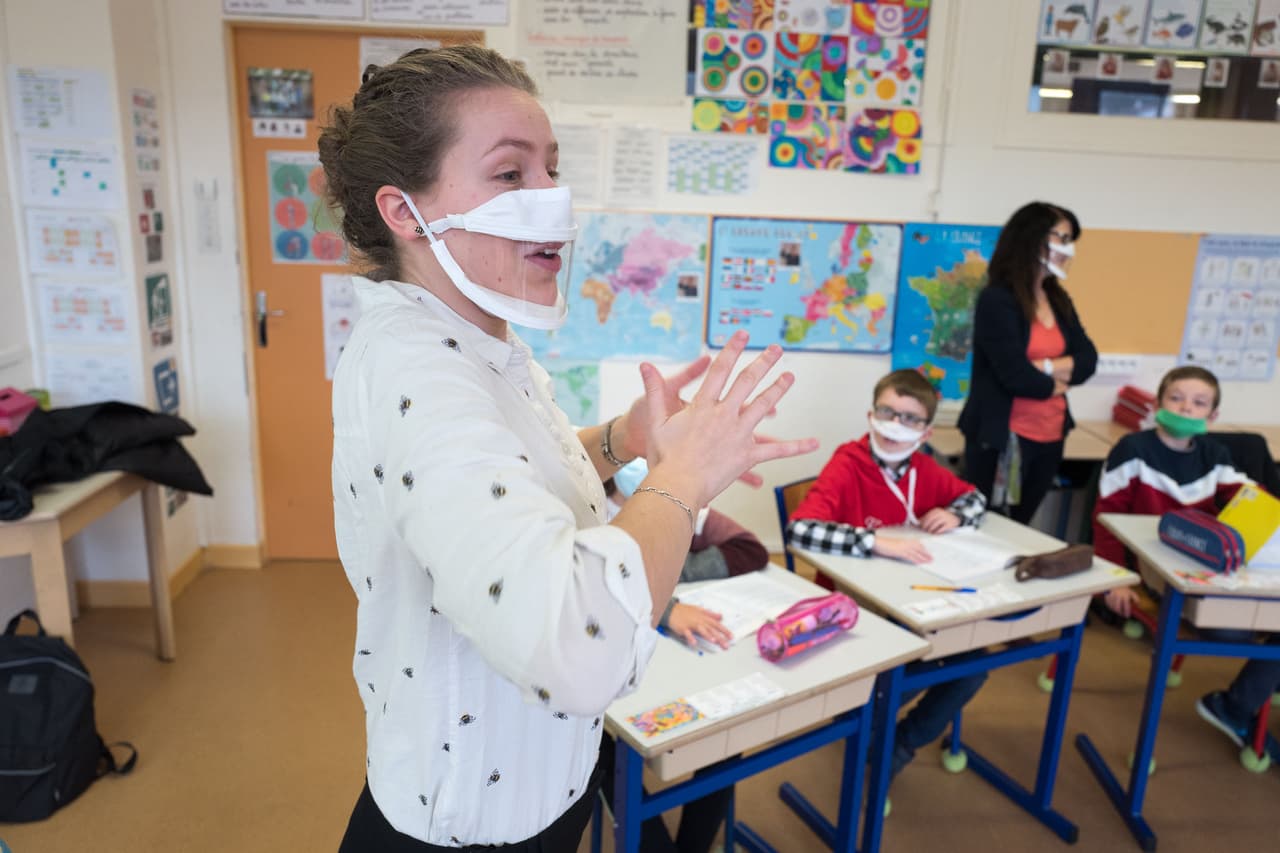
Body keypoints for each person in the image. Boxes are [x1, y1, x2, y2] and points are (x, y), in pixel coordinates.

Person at [318, 45, 817, 851]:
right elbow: (576, 647)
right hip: (467, 831)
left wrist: (626, 439)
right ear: (404, 213)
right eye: (510, 173)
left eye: (551, 168)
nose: (550, 197)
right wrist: (684, 477)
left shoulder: (477, 341)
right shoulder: (418, 371)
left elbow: (508, 482)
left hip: (539, 791)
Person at [787, 369, 988, 797]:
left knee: (974, 664)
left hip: (914, 602)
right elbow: (800, 530)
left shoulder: (924, 468)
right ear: (871, 415)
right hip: (855, 611)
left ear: (926, 432)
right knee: (888, 678)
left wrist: (955, 514)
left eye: (910, 418)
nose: (896, 425)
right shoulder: (849, 463)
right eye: (887, 412)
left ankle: (898, 745)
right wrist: (874, 541)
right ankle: (868, 731)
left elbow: (974, 498)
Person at [1089, 366, 1279, 759]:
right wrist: (1115, 578)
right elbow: (1106, 520)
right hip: (1158, 573)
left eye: (1199, 403)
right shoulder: (1133, 450)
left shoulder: (1215, 455)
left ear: (1212, 416)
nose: (1186, 408)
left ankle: (1248, 694)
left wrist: (1263, 507)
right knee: (1238, 635)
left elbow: (1249, 498)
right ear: (1158, 404)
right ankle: (1242, 701)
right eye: (1176, 398)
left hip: (1206, 568)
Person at [595, 460, 769, 853]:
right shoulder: (589, 508)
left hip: (676, 660)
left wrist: (668, 570)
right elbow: (592, 582)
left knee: (726, 730)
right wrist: (665, 603)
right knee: (606, 747)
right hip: (602, 670)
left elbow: (751, 550)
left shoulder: (683, 505)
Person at [959, 201, 1098, 525]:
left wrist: (1044, 367)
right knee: (991, 525)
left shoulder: (1058, 299)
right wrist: (1056, 380)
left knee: (1023, 526)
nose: (1068, 249)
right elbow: (1016, 376)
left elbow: (1088, 361)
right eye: (1062, 238)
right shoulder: (998, 299)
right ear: (1031, 237)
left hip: (1051, 434)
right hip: (1003, 437)